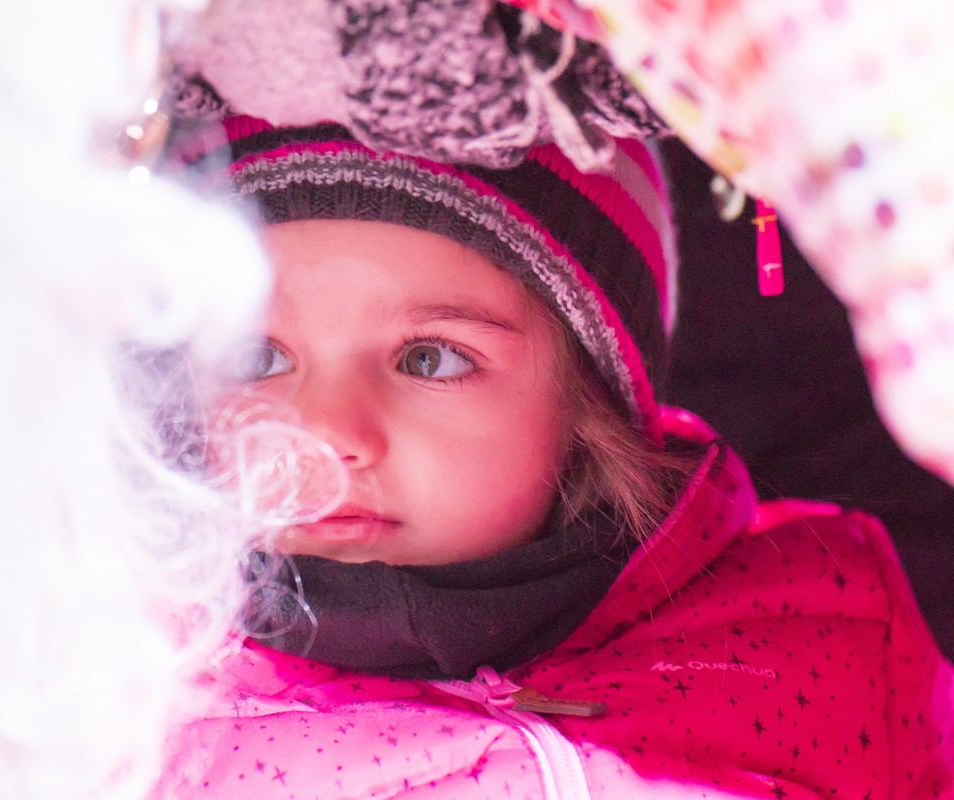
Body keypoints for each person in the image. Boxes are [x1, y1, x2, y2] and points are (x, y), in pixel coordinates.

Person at [158, 116, 954, 799]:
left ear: (586, 406)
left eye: (430, 358)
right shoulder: (118, 702)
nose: (330, 431)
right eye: (255, 359)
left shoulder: (820, 623)